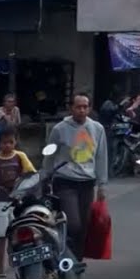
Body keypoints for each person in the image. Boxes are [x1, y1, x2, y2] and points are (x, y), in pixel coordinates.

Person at [43, 94, 108, 258]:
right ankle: (65, 256)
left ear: (90, 108)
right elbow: (49, 155)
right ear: (71, 108)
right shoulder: (59, 129)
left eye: (85, 107)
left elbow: (101, 156)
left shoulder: (97, 128)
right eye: (78, 107)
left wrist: (102, 185)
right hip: (65, 181)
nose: (82, 110)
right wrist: (44, 178)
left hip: (87, 182)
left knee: (84, 225)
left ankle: (76, 261)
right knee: (73, 224)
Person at [0, 126, 34, 278]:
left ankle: (21, 262)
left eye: (10, 142)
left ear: (15, 142)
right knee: (1, 236)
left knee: (20, 233)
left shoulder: (20, 156)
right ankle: (1, 265)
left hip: (18, 201)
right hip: (0, 200)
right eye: (4, 143)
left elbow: (31, 174)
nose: (7, 145)